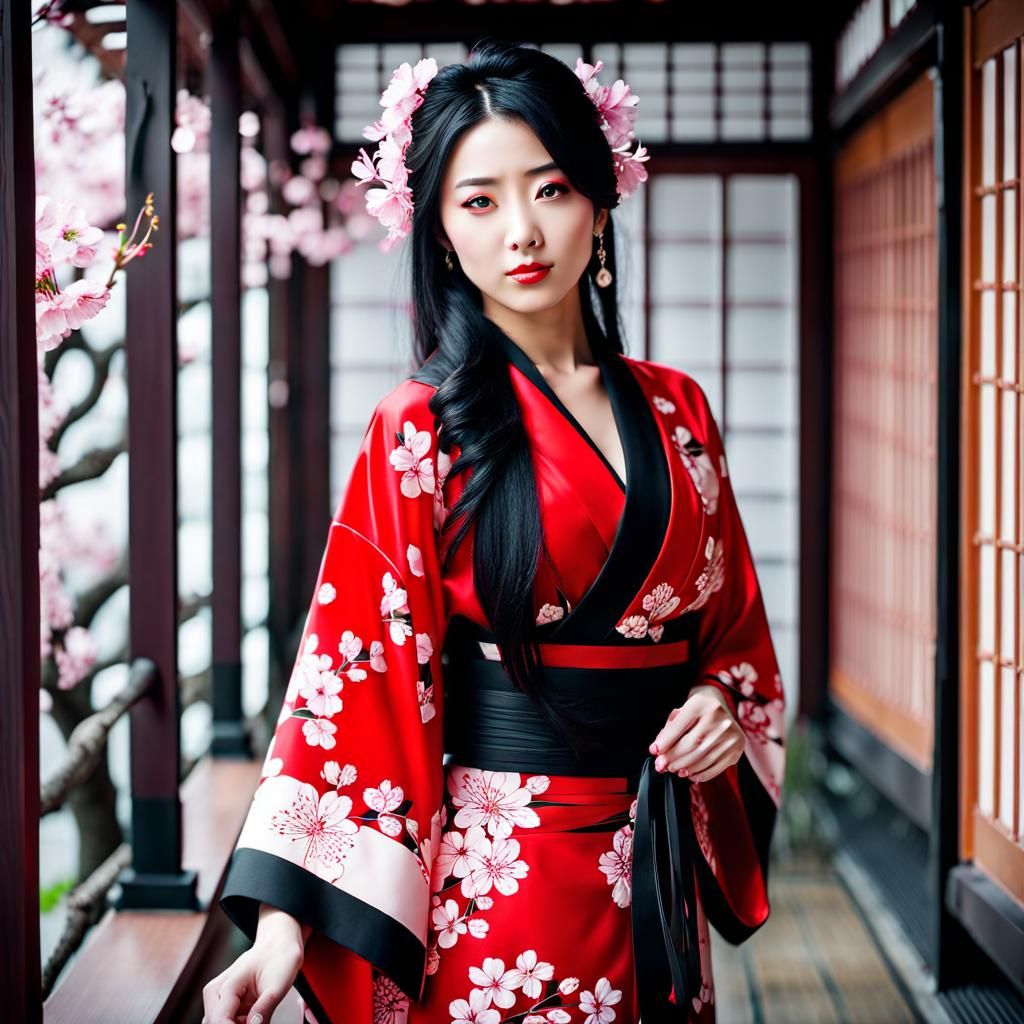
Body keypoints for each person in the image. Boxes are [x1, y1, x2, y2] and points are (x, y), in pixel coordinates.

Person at [203, 38, 786, 1024]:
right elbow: (349, 688)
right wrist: (281, 929)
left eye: (550, 189)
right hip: (496, 890)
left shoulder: (679, 410)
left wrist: (717, 705)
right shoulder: (416, 429)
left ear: (600, 199)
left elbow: (730, 639)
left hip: (656, 869)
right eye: (479, 201)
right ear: (437, 230)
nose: (522, 230)